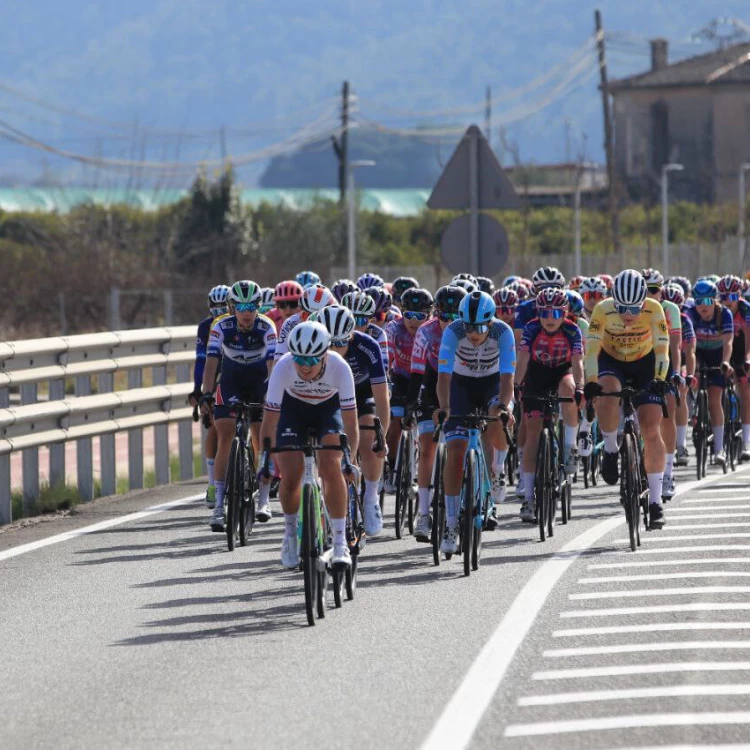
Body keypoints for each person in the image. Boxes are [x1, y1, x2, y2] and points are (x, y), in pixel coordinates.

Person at [260, 321, 359, 568]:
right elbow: (270, 420)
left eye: (311, 360)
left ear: (325, 354)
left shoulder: (340, 367)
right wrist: (265, 459)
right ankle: (291, 534)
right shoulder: (283, 368)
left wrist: (351, 459)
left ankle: (339, 542)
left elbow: (350, 421)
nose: (305, 367)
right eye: (299, 360)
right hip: (293, 411)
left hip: (328, 410)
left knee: (331, 466)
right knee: (290, 475)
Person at [584, 269, 670, 529]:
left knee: (651, 427)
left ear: (644, 302)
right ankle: (610, 449)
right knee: (607, 393)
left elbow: (663, 350)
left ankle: (655, 502)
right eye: (622, 307)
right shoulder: (602, 310)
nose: (628, 315)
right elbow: (590, 352)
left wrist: (660, 377)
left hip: (646, 364)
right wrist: (590, 382)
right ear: (613, 300)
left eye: (634, 309)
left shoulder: (655, 309)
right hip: (612, 361)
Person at [436, 290, 516, 554]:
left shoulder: (503, 333)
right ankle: (450, 523)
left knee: (497, 420)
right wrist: (445, 407)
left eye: (480, 327)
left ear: (491, 321)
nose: (473, 332)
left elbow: (507, 379)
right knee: (456, 450)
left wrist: (504, 407)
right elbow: (444, 376)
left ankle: (498, 469)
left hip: (492, 384)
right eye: (469, 326)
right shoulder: (453, 331)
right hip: (460, 386)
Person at [200, 281, 277, 531]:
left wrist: (271, 395)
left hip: (258, 380)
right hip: (232, 379)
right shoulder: (221, 326)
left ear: (258, 306)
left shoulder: (267, 327)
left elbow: (271, 365)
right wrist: (207, 393)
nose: (246, 312)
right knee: (225, 435)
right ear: (232, 307)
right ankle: (220, 506)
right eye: (241, 306)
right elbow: (212, 361)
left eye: (252, 306)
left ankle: (264, 499)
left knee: (260, 436)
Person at [316, 305, 390, 536]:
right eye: (331, 345)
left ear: (351, 335)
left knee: (370, 435)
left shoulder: (368, 347)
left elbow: (381, 397)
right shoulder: (313, 348)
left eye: (340, 344)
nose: (336, 351)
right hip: (330, 396)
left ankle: (370, 499)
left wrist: (381, 437)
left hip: (362, 393)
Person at [514, 288, 584, 522]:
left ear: (565, 313)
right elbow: (523, 359)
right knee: (533, 432)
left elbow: (577, 363)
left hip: (562, 372)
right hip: (537, 374)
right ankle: (529, 500)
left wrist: (581, 386)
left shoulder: (572, 330)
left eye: (556, 313)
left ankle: (570, 445)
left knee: (569, 390)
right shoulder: (532, 328)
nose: (550, 318)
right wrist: (516, 385)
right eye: (545, 313)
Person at [408, 284, 467, 541]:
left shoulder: (469, 331)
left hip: (461, 384)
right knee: (427, 445)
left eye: (455, 317)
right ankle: (423, 514)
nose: (449, 322)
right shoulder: (425, 331)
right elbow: (416, 372)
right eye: (444, 316)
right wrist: (412, 403)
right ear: (436, 314)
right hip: (431, 385)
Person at [385, 288, 434, 489]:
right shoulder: (393, 328)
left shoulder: (431, 330)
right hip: (402, 377)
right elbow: (386, 358)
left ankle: (423, 464)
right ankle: (392, 467)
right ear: (401, 313)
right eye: (408, 315)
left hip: (426, 378)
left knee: (424, 424)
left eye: (420, 316)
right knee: (395, 420)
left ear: (429, 316)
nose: (413, 321)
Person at [685, 279, 735, 467]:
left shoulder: (725, 314)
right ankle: (696, 410)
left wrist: (725, 362)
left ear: (714, 301)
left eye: (706, 302)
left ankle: (719, 448)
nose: (702, 307)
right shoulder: (690, 315)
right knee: (691, 380)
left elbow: (728, 342)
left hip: (717, 356)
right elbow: (688, 346)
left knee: (714, 400)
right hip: (698, 353)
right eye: (698, 302)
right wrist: (692, 366)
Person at [643, 268, 683, 499]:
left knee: (668, 412)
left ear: (662, 292)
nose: (649, 294)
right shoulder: (633, 308)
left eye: (654, 290)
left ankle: (667, 471)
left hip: (663, 359)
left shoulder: (670, 310)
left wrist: (675, 372)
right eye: (645, 290)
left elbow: (675, 345)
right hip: (637, 361)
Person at [190, 284, 230, 508]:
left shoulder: (241, 323)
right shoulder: (205, 327)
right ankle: (213, 484)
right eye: (215, 307)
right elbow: (201, 362)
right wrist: (199, 390)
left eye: (223, 306)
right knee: (214, 425)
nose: (219, 311)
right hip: (215, 375)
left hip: (238, 374)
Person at [662, 283, 696, 467]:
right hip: (660, 358)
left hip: (679, 359)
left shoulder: (684, 320)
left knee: (681, 392)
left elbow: (690, 352)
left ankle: (681, 444)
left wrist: (688, 374)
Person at [717, 274, 750, 461]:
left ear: (739, 296)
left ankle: (746, 442)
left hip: (743, 347)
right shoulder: (718, 312)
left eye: (732, 297)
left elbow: (748, 339)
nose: (727, 302)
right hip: (723, 350)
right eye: (723, 297)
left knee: (745, 391)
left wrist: (746, 359)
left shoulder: (746, 310)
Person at [275, 284, 335, 361]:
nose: (312, 321)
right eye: (307, 315)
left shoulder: (336, 324)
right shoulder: (291, 323)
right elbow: (279, 360)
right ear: (301, 311)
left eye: (318, 317)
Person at [341, 290, 389, 370]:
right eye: (349, 321)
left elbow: (384, 367)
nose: (354, 326)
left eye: (360, 321)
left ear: (370, 320)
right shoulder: (333, 332)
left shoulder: (378, 334)